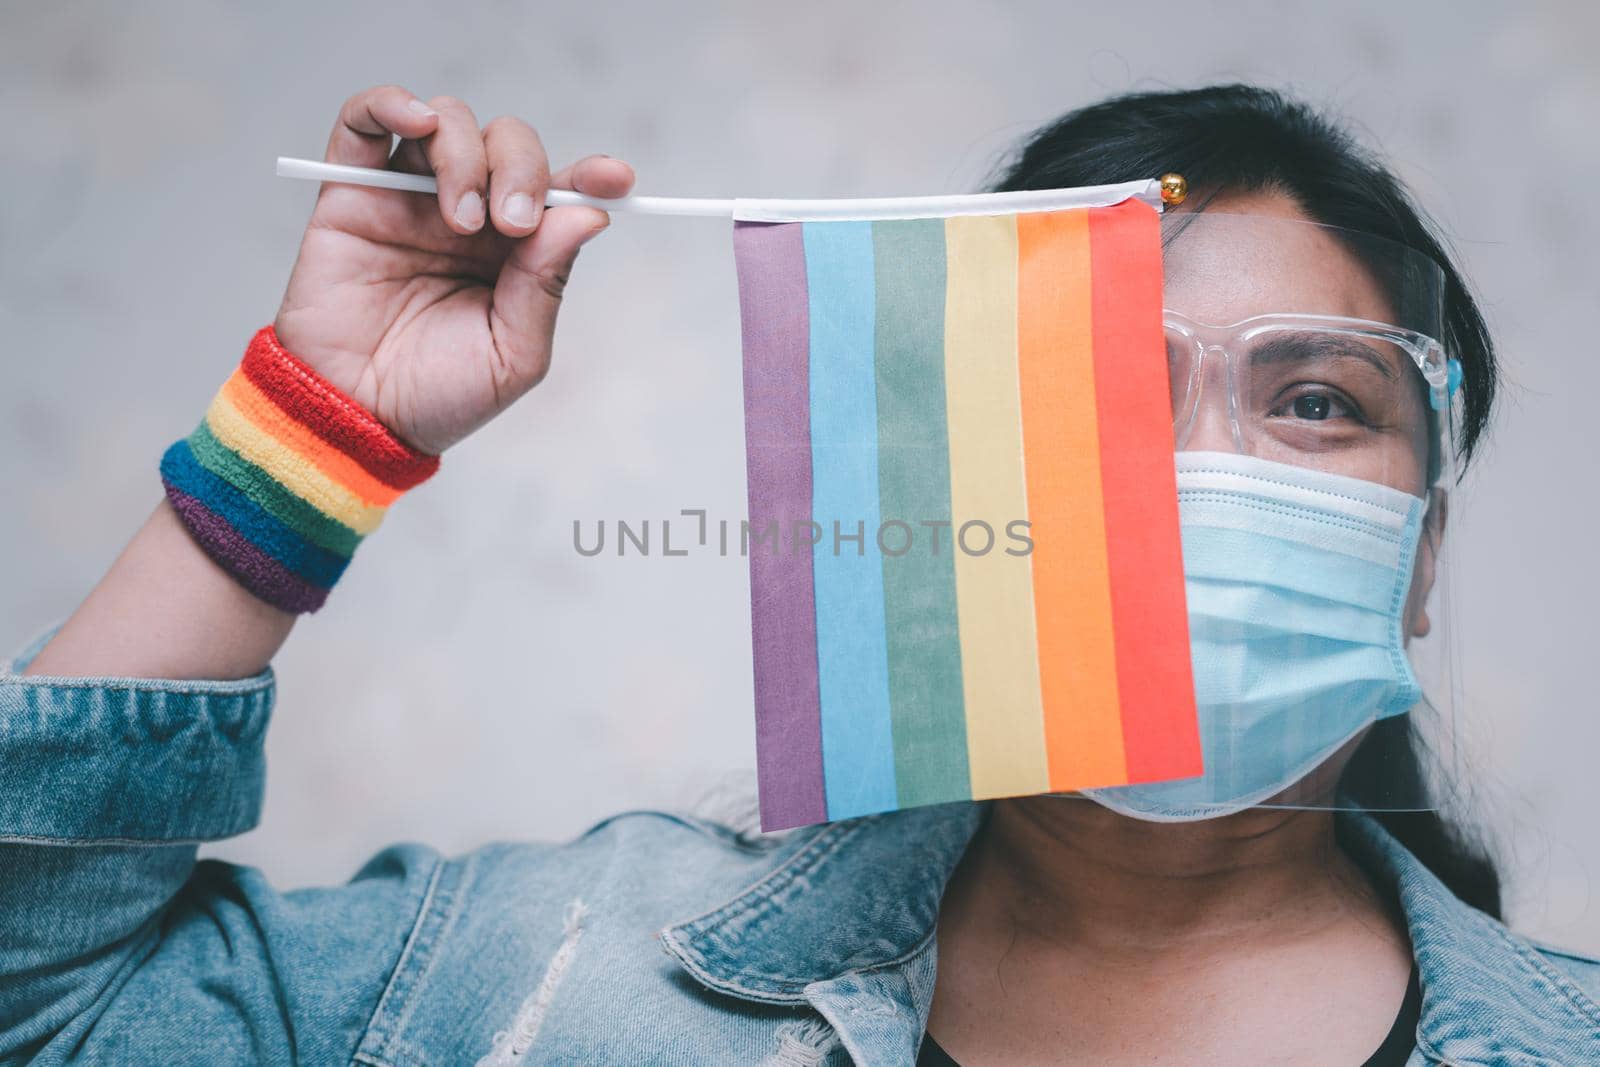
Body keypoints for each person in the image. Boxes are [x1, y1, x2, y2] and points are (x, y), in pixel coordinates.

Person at [2, 82, 1596, 1067]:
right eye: (1101, 388)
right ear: (950, 476)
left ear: (1423, 545)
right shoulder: (556, 977)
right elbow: (44, 1016)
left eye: (1317, 400)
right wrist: (314, 422)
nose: (1207, 473)